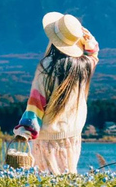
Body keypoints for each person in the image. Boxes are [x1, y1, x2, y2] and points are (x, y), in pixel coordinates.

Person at [13, 12, 99, 174]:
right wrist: (86, 37)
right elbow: (93, 53)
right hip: (72, 136)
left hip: (47, 138)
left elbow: (36, 102)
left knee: (45, 182)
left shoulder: (47, 66)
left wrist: (25, 129)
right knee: (67, 178)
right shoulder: (84, 66)